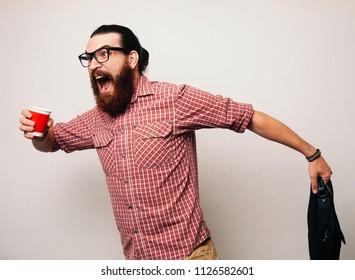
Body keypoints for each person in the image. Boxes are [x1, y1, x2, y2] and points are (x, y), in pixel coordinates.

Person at [19, 24, 332, 260]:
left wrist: (311, 154)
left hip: (190, 257)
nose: (94, 64)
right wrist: (38, 132)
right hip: (136, 262)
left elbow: (249, 117)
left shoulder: (175, 99)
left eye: (103, 53)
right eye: (88, 57)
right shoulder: (97, 118)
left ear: (131, 59)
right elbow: (53, 141)